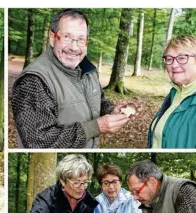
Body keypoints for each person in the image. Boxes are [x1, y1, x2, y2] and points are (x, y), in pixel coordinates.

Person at [11, 9, 132, 149]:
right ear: (52, 38)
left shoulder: (88, 70)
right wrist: (96, 127)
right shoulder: (33, 80)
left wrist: (112, 110)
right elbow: (38, 141)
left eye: (81, 39)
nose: (74, 48)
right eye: (67, 37)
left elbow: (98, 100)